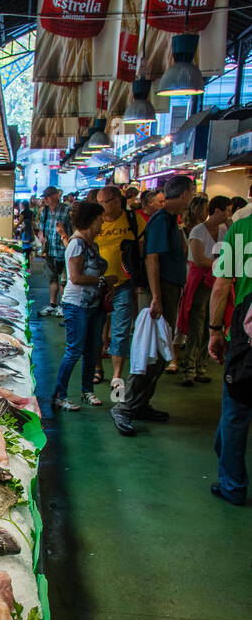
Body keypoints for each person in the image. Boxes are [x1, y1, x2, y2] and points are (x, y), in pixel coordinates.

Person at [111, 174, 192, 436]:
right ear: (184, 194)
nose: (191, 198)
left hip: (168, 291)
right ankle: (123, 407)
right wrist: (156, 296)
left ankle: (141, 404)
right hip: (161, 292)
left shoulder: (170, 220)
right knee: (148, 352)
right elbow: (152, 260)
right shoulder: (160, 220)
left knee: (158, 353)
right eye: (190, 193)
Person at [208, 207, 252, 504]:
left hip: (246, 337)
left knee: (235, 412)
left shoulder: (242, 230)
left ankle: (233, 486)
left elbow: (222, 286)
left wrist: (214, 330)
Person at [51, 200, 112, 411]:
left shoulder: (91, 244)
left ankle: (87, 391)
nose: (102, 225)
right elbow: (75, 278)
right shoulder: (77, 244)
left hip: (93, 306)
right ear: (92, 220)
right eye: (100, 220)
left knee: (92, 349)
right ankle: (60, 395)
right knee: (74, 350)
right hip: (76, 305)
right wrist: (104, 281)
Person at [177, 196, 229, 386]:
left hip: (216, 281)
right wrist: (221, 264)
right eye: (227, 210)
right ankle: (189, 369)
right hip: (200, 282)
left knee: (212, 324)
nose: (229, 214)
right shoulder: (198, 231)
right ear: (217, 211)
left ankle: (201, 367)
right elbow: (198, 260)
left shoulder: (224, 230)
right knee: (196, 326)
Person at [95, 183, 139, 401]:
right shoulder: (95, 221)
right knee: (96, 329)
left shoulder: (133, 220)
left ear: (117, 201)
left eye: (106, 202)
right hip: (96, 285)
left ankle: (117, 378)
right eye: (99, 202)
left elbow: (144, 251)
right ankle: (97, 368)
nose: (102, 206)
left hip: (124, 284)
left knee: (120, 331)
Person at [37, 186, 73, 317]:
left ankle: (62, 306)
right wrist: (41, 238)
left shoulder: (67, 210)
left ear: (55, 196)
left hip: (64, 250)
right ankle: (52, 305)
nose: (45, 200)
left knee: (63, 280)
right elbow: (41, 229)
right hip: (50, 251)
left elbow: (73, 230)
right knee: (52, 278)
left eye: (47, 197)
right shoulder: (44, 211)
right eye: (44, 197)